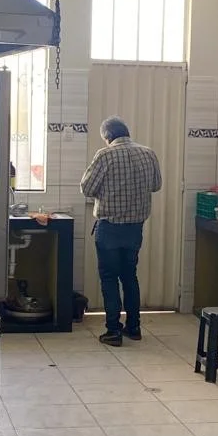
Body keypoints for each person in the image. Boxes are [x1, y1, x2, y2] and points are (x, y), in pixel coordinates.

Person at [80, 116, 162, 346]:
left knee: (109, 278)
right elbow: (156, 185)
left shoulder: (105, 155)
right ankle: (134, 327)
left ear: (107, 136)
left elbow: (87, 188)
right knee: (129, 275)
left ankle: (113, 331)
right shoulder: (148, 153)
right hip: (135, 227)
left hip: (109, 227)